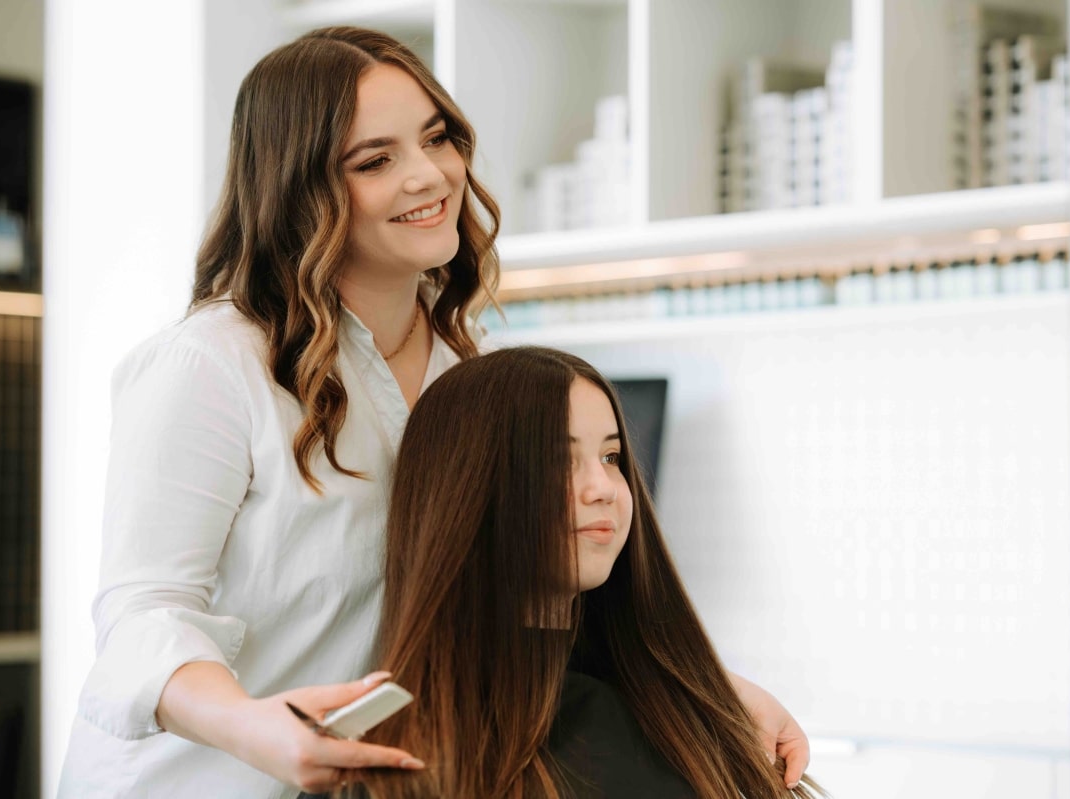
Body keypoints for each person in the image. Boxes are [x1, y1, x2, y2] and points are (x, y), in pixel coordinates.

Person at [57, 26, 809, 799]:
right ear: (298, 185)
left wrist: (709, 692)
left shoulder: (466, 364)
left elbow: (508, 593)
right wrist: (256, 725)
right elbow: (142, 615)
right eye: (376, 160)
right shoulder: (213, 364)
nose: (430, 176)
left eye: (437, 137)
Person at [346, 346, 824, 799]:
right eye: (558, 459)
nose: (604, 488)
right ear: (465, 491)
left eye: (611, 458)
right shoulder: (375, 752)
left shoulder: (663, 716)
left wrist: (703, 689)